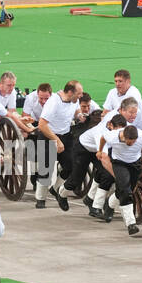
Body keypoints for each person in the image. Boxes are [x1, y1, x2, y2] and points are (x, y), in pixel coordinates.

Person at [35, 79, 82, 210]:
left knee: (71, 166)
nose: (81, 96)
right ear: (70, 92)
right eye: (79, 93)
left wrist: (80, 115)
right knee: (46, 169)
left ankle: (56, 189)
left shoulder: (74, 100)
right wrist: (57, 140)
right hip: (47, 136)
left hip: (66, 135)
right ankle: (40, 198)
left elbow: (76, 110)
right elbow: (42, 125)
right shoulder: (54, 102)